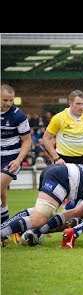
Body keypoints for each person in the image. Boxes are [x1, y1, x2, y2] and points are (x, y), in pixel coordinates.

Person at [1, 84, 33, 224]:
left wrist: (18, 160)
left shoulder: (18, 115)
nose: (8, 103)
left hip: (11, 159)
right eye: (5, 100)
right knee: (2, 197)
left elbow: (27, 141)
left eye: (11, 100)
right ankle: (5, 230)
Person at [43, 90, 83, 165]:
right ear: (70, 103)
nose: (81, 107)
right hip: (64, 159)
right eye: (78, 104)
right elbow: (46, 139)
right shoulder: (59, 118)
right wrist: (56, 158)